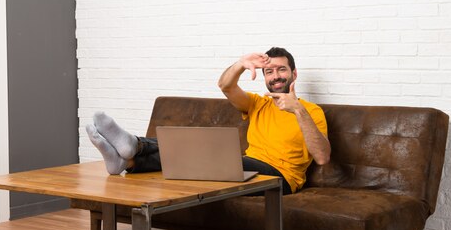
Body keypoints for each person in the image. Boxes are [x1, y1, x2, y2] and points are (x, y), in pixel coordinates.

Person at [86, 47, 331, 194]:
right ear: (264, 77)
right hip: (246, 164)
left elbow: (322, 157)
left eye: (281, 70)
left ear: (293, 74)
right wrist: (240, 65)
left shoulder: (311, 111)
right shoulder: (259, 103)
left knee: (210, 156)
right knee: (199, 154)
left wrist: (298, 110)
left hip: (281, 177)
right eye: (269, 71)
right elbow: (225, 85)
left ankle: (134, 148)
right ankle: (127, 159)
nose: (275, 76)